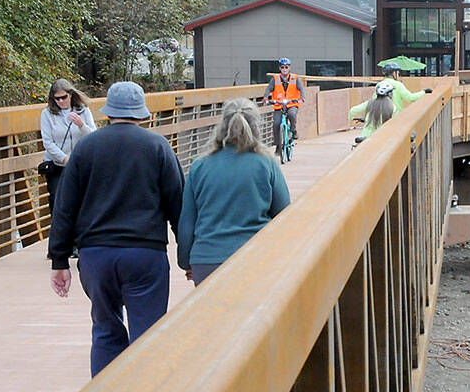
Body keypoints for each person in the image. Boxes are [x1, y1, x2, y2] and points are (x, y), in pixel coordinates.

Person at [48, 81, 184, 376]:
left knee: (106, 330)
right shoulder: (158, 147)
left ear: (109, 112)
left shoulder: (86, 148)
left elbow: (64, 207)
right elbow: (178, 206)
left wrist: (59, 260)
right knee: (147, 338)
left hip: (97, 257)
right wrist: (187, 256)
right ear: (141, 113)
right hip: (144, 255)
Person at [177, 99, 290, 286]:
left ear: (222, 125)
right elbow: (284, 215)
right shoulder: (266, 164)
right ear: (256, 127)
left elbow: (187, 221)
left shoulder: (199, 166)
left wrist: (186, 262)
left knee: (211, 315)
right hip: (254, 258)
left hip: (206, 260)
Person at [39, 78, 96, 213]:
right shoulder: (47, 114)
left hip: (79, 164)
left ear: (70, 94)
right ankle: (58, 231)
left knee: (81, 200)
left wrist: (81, 125)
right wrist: (64, 159)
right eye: (57, 99)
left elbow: (93, 137)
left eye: (63, 97)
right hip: (57, 165)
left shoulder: (83, 111)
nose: (61, 101)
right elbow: (47, 142)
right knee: (57, 199)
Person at [263, 58, 304, 154]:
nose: (284, 69)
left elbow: (301, 88)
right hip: (279, 105)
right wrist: (265, 97)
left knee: (292, 114)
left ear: (289, 68)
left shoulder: (295, 78)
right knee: (276, 123)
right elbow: (268, 89)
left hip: (292, 103)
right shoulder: (275, 78)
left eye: (286, 67)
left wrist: (302, 98)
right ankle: (278, 145)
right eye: (282, 67)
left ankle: (293, 131)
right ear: (279, 68)